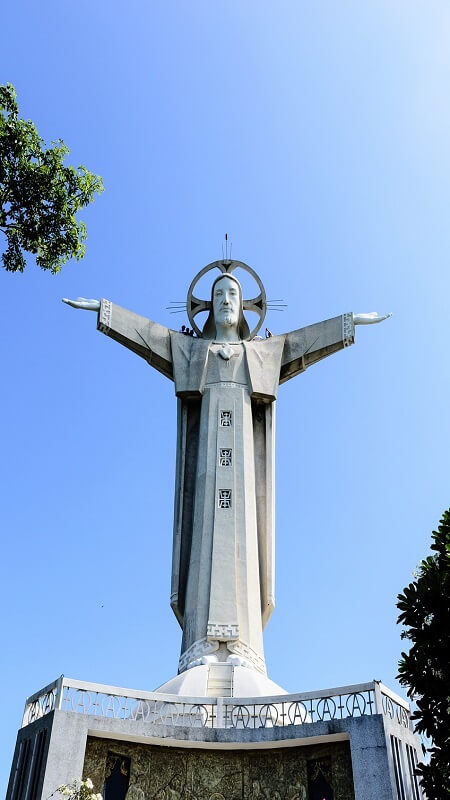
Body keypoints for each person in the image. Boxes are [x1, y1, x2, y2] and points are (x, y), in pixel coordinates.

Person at [63, 271, 390, 676]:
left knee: (243, 539)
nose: (225, 300)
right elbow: (147, 336)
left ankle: (245, 651)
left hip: (243, 473)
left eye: (233, 293)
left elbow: (305, 342)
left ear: (247, 304)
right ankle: (199, 650)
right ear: (205, 304)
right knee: (205, 539)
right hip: (205, 477)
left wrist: (348, 323)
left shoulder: (262, 355)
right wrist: (105, 312)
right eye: (217, 293)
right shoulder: (191, 352)